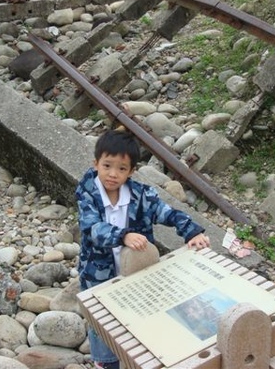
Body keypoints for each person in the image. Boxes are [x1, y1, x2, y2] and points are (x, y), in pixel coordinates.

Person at [76, 129, 211, 369]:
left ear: (132, 171)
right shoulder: (87, 193)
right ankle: (106, 362)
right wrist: (123, 235)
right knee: (101, 320)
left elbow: (166, 212)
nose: (112, 174)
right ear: (96, 163)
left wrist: (192, 231)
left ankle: (139, 357)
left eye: (121, 169)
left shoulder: (141, 195)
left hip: (136, 269)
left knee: (136, 314)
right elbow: (92, 229)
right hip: (98, 273)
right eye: (107, 166)